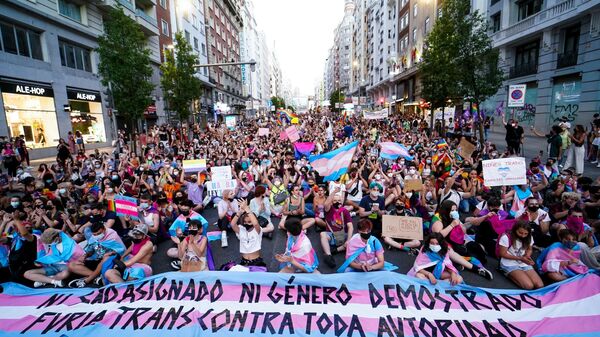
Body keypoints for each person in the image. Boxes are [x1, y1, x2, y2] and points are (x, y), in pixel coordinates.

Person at [68, 221, 125, 288]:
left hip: (111, 262)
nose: (97, 236)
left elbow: (121, 250)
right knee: (72, 265)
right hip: (97, 259)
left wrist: (111, 253)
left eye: (99, 233)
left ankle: (87, 280)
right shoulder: (94, 237)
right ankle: (97, 277)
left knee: (106, 258)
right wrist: (85, 256)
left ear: (104, 229)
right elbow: (90, 250)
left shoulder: (112, 235)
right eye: (94, 234)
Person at [497, 221, 544, 290]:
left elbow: (529, 249)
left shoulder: (529, 237)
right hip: (509, 262)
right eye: (520, 233)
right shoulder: (506, 237)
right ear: (515, 230)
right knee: (529, 286)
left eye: (526, 234)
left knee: (540, 286)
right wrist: (521, 258)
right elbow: (502, 254)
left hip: (523, 262)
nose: (523, 236)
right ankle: (505, 272)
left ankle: (519, 274)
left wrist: (527, 256)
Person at [231, 199, 273, 268]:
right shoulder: (241, 229)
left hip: (256, 262)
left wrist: (247, 209)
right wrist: (240, 212)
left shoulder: (257, 230)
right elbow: (232, 224)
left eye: (250, 222)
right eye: (245, 222)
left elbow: (256, 223)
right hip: (244, 262)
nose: (247, 223)